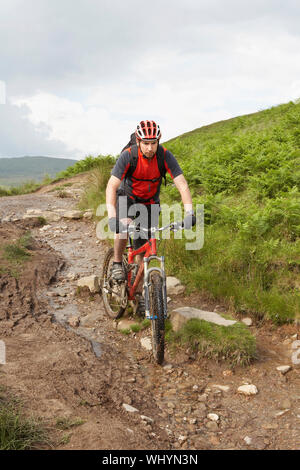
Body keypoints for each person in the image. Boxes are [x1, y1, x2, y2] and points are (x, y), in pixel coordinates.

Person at [105, 120, 195, 312]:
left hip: (149, 203)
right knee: (122, 227)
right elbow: (111, 186)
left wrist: (189, 213)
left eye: (153, 143)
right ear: (138, 141)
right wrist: (112, 217)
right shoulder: (128, 156)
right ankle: (117, 263)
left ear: (158, 140)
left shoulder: (164, 156)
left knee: (145, 250)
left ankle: (139, 295)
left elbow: (182, 184)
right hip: (127, 197)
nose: (149, 147)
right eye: (145, 143)